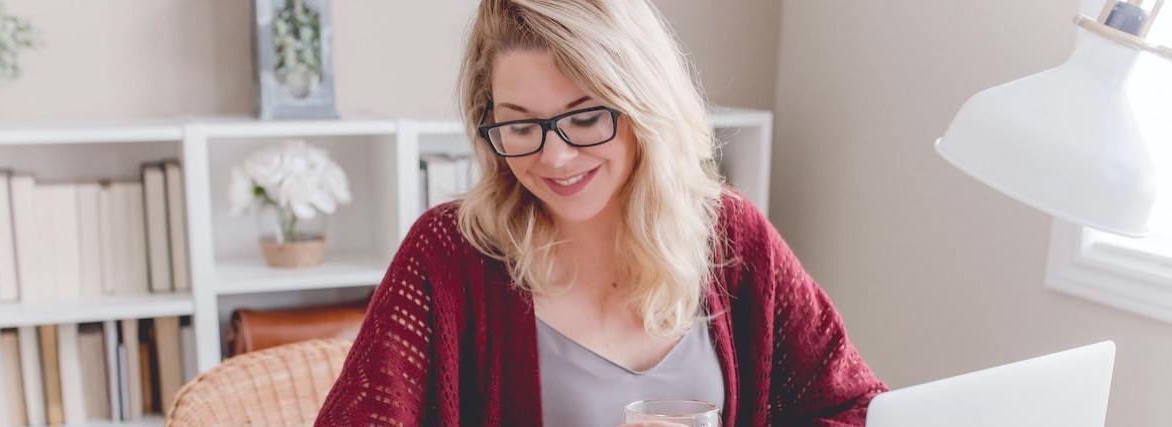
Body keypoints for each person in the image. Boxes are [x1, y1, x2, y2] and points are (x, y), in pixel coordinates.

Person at [315, 0, 886, 425]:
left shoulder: (732, 237)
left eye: (586, 118)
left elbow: (857, 406)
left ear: (645, 107)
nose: (555, 157)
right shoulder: (449, 252)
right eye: (519, 125)